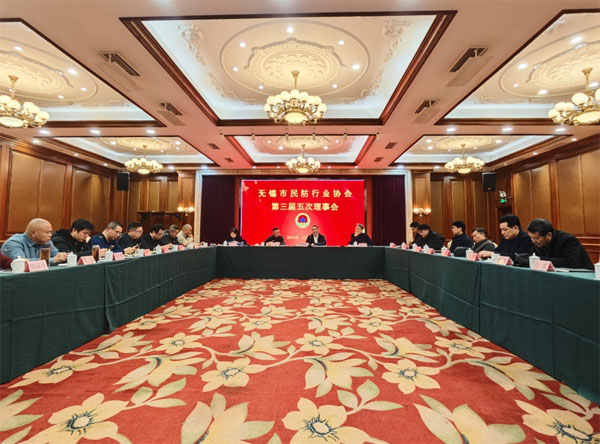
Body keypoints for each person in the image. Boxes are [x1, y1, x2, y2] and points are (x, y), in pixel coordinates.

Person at [527, 218, 594, 270]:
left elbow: (570, 262)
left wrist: (537, 259)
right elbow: (531, 255)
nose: (533, 241)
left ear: (549, 235)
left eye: (536, 238)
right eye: (531, 238)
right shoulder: (538, 242)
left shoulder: (568, 240)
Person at [1, 218, 68, 265]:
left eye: (51, 232)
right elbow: (21, 263)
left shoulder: (46, 241)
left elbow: (56, 256)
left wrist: (63, 257)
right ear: (33, 233)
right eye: (47, 232)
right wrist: (52, 260)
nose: (50, 235)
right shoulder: (13, 243)